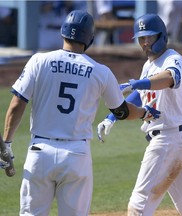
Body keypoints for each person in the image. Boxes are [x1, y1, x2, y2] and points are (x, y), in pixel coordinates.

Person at [3, 10, 160, 216]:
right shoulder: (99, 71)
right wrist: (143, 113)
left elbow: (17, 104)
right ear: (90, 39)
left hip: (40, 152)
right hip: (76, 155)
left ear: (63, 33)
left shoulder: (38, 61)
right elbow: (121, 111)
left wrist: (6, 143)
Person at [97, 13, 182, 216]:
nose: (146, 43)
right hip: (178, 141)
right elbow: (139, 96)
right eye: (141, 38)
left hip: (168, 140)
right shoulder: (148, 66)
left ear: (162, 35)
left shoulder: (173, 58)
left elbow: (169, 78)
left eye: (150, 37)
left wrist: (137, 82)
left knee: (138, 207)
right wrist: (112, 116)